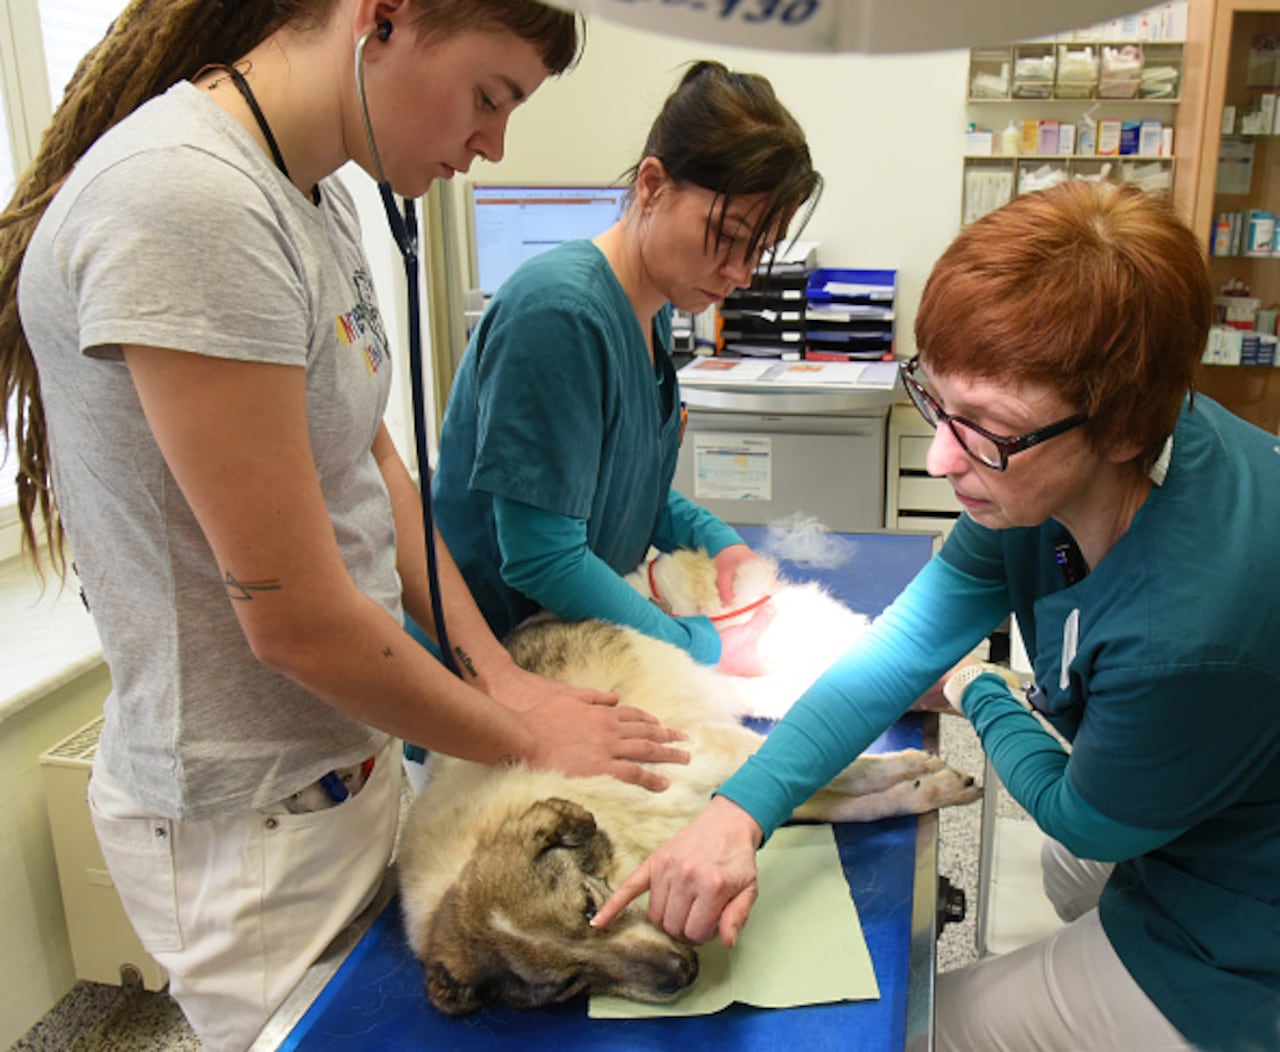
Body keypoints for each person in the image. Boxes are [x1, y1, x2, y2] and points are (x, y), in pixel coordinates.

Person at [0, 2, 691, 1048]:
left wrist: (499, 678)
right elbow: (295, 619)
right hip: (255, 826)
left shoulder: (308, 195)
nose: (490, 144)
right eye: (488, 96)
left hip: (349, 771)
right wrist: (522, 733)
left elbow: (370, 463)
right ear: (386, 16)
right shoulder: (187, 202)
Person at [593, 181, 1280, 1052]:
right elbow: (897, 653)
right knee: (1078, 886)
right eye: (938, 401)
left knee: (922, 1033)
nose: (939, 456)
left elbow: (1079, 814)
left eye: (985, 427)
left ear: (1121, 428)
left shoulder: (1192, 630)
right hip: (1193, 799)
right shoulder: (1064, 469)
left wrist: (982, 688)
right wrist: (737, 814)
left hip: (1247, 937)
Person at [430, 60, 822, 675]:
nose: (742, 273)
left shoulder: (651, 311)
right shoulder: (558, 315)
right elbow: (543, 557)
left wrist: (718, 541)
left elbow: (621, 487)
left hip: (568, 656)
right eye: (728, 236)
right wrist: (702, 647)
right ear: (651, 184)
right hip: (492, 673)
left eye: (759, 252)